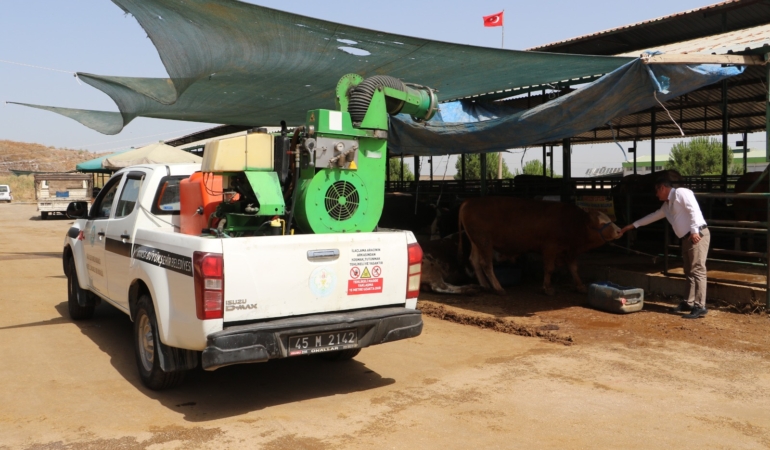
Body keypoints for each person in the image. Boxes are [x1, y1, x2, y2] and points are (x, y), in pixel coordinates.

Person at [620, 177, 710, 319]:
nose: (656, 195)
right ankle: (689, 302)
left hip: (696, 234)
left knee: (697, 269)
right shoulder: (667, 206)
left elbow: (693, 208)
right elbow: (653, 216)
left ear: (662, 187)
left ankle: (700, 306)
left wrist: (694, 230)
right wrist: (632, 226)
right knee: (689, 270)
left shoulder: (681, 192)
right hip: (688, 237)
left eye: (657, 191)